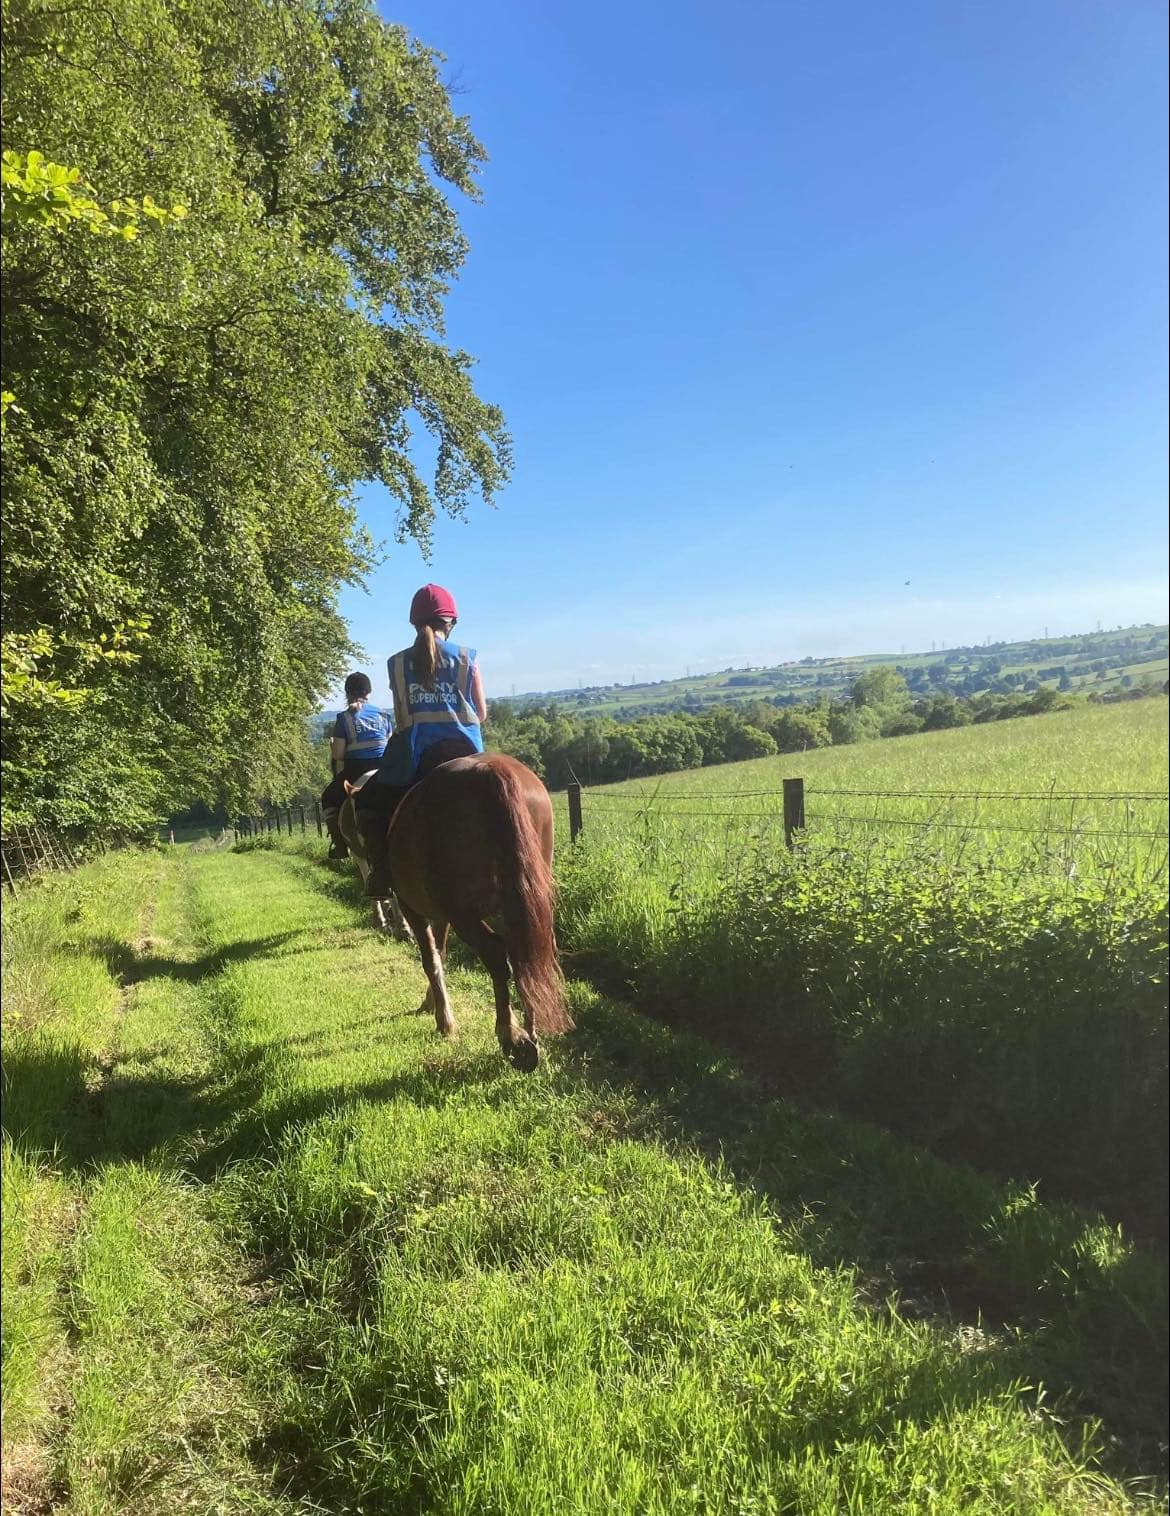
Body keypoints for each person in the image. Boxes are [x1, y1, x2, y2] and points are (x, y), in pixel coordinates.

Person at [354, 583, 487, 896]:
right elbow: (480, 713)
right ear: (450, 623)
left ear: (414, 624)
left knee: (369, 802)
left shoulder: (397, 664)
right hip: (469, 752)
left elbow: (401, 720)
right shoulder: (467, 658)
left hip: (418, 757)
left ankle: (382, 872)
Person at [320, 672, 392, 859]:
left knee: (328, 797)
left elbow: (338, 754)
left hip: (356, 770)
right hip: (385, 769)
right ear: (369, 691)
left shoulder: (344, 718)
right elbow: (390, 743)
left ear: (347, 693)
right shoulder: (384, 715)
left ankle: (339, 845)